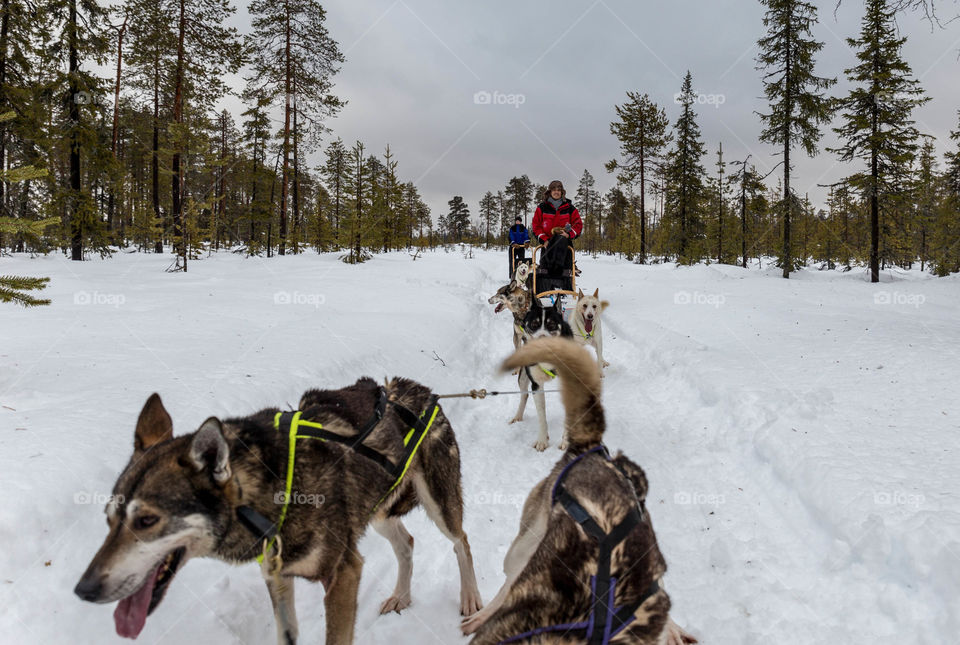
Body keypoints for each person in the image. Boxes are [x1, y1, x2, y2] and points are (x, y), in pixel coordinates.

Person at [532, 180, 583, 290]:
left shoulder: (569, 207)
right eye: (554, 190)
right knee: (546, 270)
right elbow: (536, 226)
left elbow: (578, 224)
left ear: (562, 192)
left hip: (564, 245)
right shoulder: (542, 207)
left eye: (559, 190)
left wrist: (569, 234)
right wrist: (544, 240)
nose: (556, 192)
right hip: (547, 244)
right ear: (549, 192)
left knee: (565, 270)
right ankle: (545, 292)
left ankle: (566, 293)